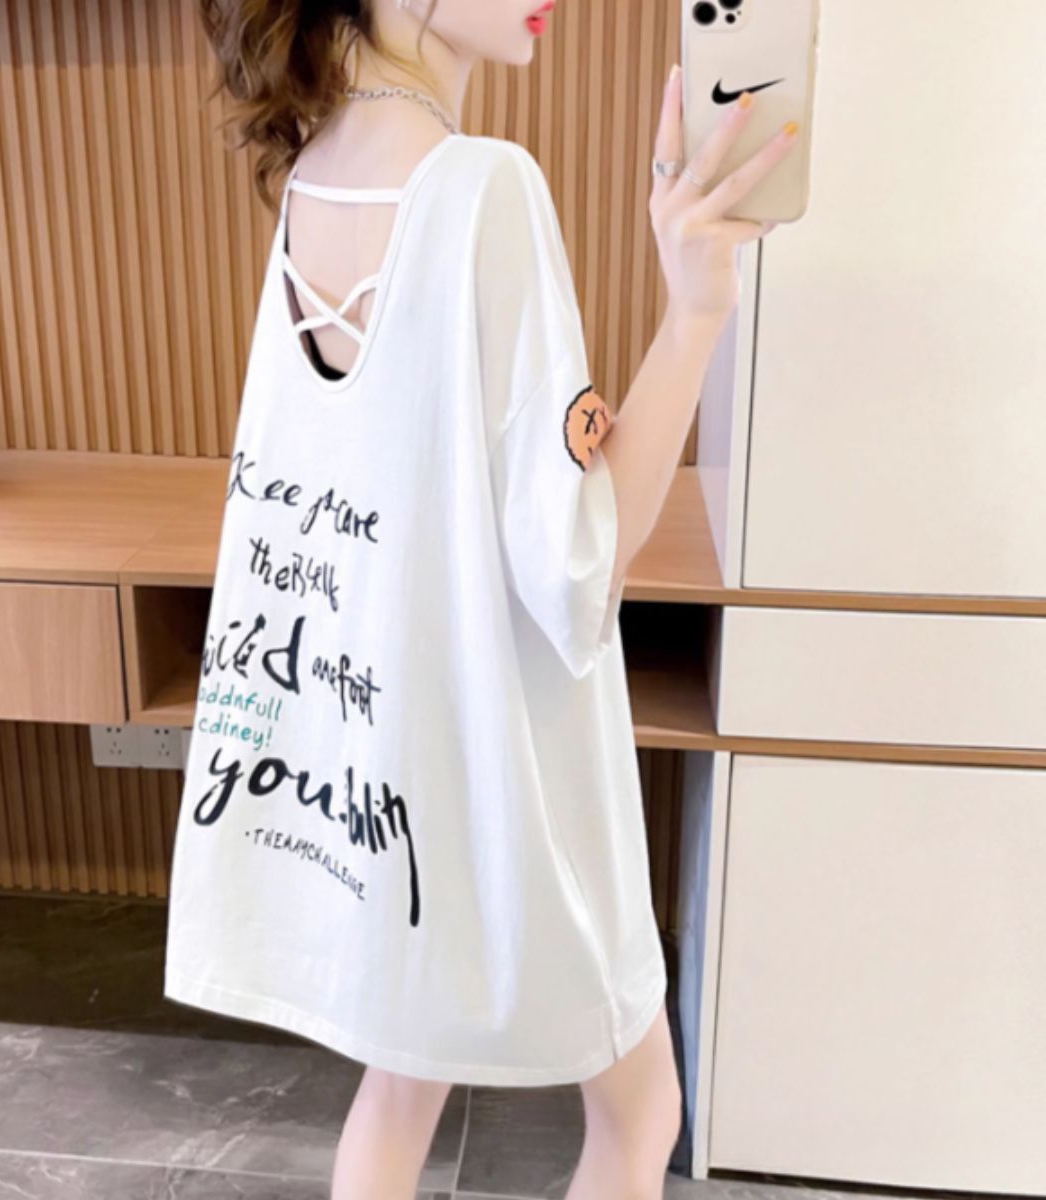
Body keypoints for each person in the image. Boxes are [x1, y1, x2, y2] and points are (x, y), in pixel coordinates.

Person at [167, 3, 800, 1198]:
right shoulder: (483, 186)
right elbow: (577, 562)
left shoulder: (317, 174)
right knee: (640, 1112)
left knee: (403, 1080)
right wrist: (697, 309)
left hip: (391, 773)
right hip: (510, 769)